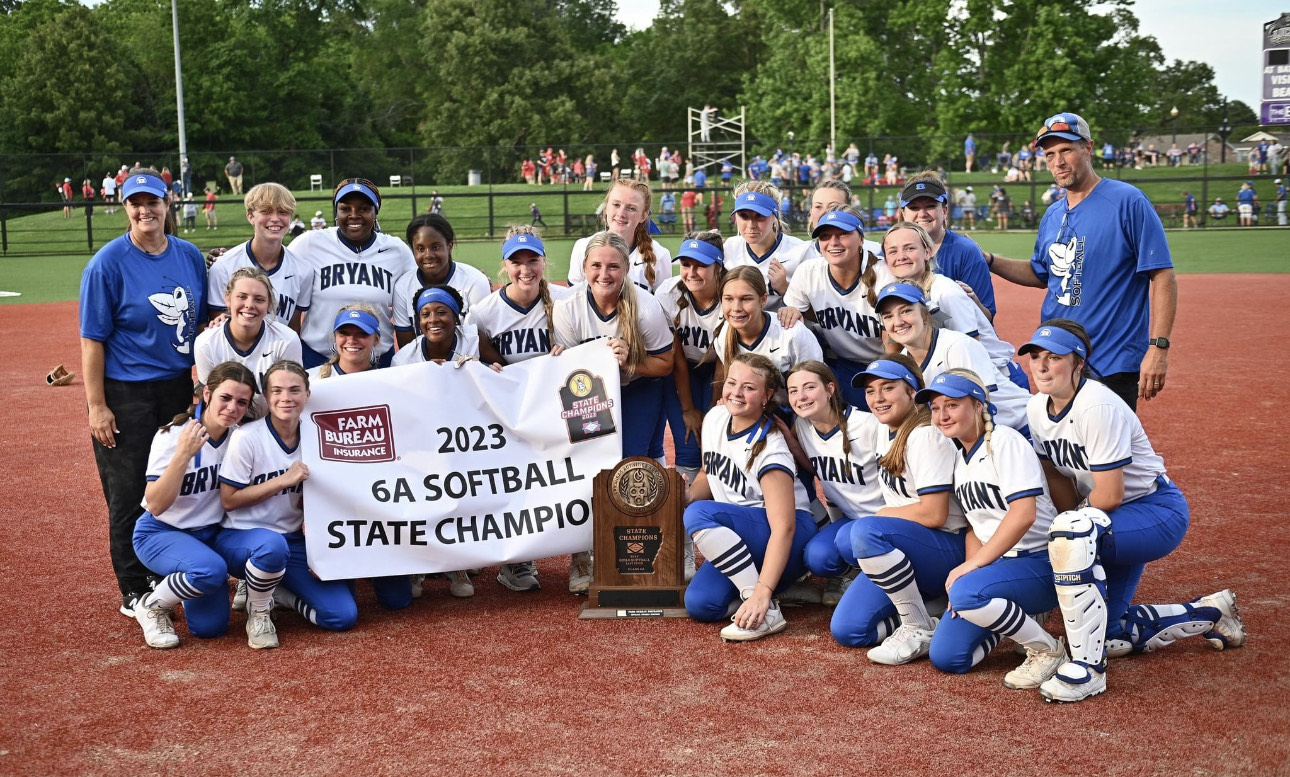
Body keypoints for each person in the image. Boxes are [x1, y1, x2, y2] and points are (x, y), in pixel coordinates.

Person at [1019, 320, 1244, 702]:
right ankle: (1211, 612)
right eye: (1035, 357)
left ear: (1078, 363)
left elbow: (1108, 495)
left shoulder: (1098, 405)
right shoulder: (1037, 407)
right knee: (1107, 633)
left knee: (1070, 536)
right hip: (1110, 520)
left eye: (1053, 357)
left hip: (1153, 512)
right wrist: (1071, 520)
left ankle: (1089, 674)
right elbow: (1056, 475)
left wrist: (1071, 529)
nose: (1040, 366)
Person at [80, 168, 208, 617]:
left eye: (152, 202)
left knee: (176, 482)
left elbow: (208, 319)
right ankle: (134, 586)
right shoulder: (108, 263)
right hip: (125, 391)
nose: (144, 210)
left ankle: (165, 570)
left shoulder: (189, 255)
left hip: (175, 388)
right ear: (125, 208)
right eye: (135, 203)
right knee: (129, 488)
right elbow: (92, 339)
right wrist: (97, 406)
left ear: (167, 203)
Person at [986, 112, 1176, 412]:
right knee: (1061, 451)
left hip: (1110, 361)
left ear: (1088, 148)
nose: (1058, 162)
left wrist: (1158, 347)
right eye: (1050, 155)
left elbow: (1162, 275)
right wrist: (990, 260)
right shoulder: (1052, 214)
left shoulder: (1127, 201)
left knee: (1105, 453)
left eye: (1066, 150)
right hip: (1058, 357)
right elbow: (1040, 274)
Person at [915, 369, 1065, 687]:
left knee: (966, 592)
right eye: (936, 407)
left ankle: (1047, 651)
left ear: (978, 405)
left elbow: (1023, 514)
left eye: (952, 405)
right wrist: (972, 575)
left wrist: (972, 570)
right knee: (948, 657)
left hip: (1042, 560)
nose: (942, 414)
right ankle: (1021, 621)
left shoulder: (1004, 442)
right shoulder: (959, 455)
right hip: (1001, 566)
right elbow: (974, 528)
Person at [554, 231, 674, 592]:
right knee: (586, 465)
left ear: (626, 268)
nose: (603, 274)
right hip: (588, 395)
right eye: (596, 265)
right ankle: (582, 555)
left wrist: (632, 364)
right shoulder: (568, 306)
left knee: (632, 467)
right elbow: (567, 374)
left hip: (637, 388)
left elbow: (667, 362)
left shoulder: (645, 305)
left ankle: (640, 555)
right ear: (584, 267)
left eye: (613, 266)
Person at [830, 357, 966, 658]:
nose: (877, 398)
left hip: (946, 546)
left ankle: (917, 625)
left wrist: (879, 518)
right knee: (850, 630)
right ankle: (930, 607)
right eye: (870, 391)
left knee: (863, 531)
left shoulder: (924, 435)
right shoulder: (884, 428)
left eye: (888, 388)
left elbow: (934, 513)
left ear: (912, 391)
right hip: (908, 546)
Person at [218, 361, 358, 646]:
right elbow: (229, 500)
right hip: (241, 537)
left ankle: (277, 592)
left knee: (342, 615)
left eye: (295, 390)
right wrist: (282, 480)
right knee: (271, 546)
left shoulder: (317, 436)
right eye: (277, 391)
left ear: (307, 394)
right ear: (266, 397)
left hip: (291, 540)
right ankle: (259, 613)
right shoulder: (247, 438)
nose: (286, 398)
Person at [466, 228, 573, 593]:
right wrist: (487, 367)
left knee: (571, 477)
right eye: (517, 262)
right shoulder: (484, 313)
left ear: (544, 262)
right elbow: (470, 366)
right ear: (504, 266)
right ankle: (516, 561)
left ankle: (582, 553)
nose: (525, 269)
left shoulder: (567, 300)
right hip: (510, 412)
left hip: (559, 407)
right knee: (516, 483)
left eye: (533, 260)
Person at [683, 353, 816, 641]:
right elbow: (709, 473)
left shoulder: (771, 447)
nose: (736, 393)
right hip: (742, 532)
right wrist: (687, 493)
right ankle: (766, 593)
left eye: (749, 388)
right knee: (701, 604)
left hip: (788, 535)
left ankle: (764, 607)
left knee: (699, 514)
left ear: (767, 396)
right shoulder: (716, 417)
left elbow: (785, 527)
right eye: (732, 383)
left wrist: (760, 593)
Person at [130, 362, 259, 648]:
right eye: (225, 398)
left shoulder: (241, 438)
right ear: (207, 394)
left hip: (209, 536)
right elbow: (156, 504)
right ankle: (150, 604)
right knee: (210, 571)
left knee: (210, 628)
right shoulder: (173, 435)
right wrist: (183, 456)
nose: (232, 408)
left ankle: (189, 578)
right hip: (161, 532)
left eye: (241, 402)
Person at [289, 178, 416, 368]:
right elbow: (278, 276)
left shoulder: (396, 251)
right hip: (317, 357)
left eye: (364, 209)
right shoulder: (309, 244)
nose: (354, 215)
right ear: (336, 212)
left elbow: (416, 303)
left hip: (377, 360)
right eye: (345, 209)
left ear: (375, 213)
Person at [787, 361, 884, 607]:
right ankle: (852, 573)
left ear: (830, 389)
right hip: (851, 519)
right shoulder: (802, 427)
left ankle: (879, 576)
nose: (801, 397)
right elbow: (823, 478)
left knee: (849, 544)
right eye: (793, 391)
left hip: (887, 518)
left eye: (809, 387)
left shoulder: (869, 425)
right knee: (818, 557)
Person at [875, 282, 1030, 435]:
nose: (898, 322)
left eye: (906, 311)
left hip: (1025, 428)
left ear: (924, 314)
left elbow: (981, 410)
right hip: (980, 436)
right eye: (888, 316)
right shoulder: (904, 364)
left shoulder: (958, 346)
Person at [881, 222, 1021, 387]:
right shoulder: (896, 297)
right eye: (893, 251)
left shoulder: (946, 293)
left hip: (996, 383)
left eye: (910, 248)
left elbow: (970, 354)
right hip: (953, 383)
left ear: (928, 252)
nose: (901, 256)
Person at [780, 208, 883, 408]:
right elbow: (788, 318)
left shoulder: (883, 275)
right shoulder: (809, 272)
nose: (833, 243)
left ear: (861, 239)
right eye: (825, 236)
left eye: (843, 234)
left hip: (886, 363)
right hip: (843, 363)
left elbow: (896, 348)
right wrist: (791, 311)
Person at [655, 232, 726, 487]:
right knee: (688, 444)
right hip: (682, 368)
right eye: (686, 264)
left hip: (722, 371)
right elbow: (676, 358)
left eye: (701, 265)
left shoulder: (730, 294)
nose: (691, 272)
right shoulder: (669, 293)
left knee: (716, 439)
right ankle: (688, 513)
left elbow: (725, 361)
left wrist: (712, 411)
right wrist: (688, 409)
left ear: (718, 267)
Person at [195, 267, 302, 414]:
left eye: (259, 299)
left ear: (269, 304)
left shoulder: (286, 340)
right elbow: (209, 401)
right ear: (228, 298)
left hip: (270, 424)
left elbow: (290, 398)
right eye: (242, 296)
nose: (250, 305)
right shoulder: (206, 343)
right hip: (226, 423)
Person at [206, 183, 312, 330]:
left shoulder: (303, 269)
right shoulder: (223, 267)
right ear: (250, 216)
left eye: (283, 212)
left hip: (280, 351)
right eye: (266, 211)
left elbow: (293, 329)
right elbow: (217, 329)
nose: (275, 218)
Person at [711, 266, 822, 404]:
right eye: (729, 299)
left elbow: (816, 390)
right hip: (754, 407)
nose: (736, 308)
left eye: (746, 299)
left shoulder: (792, 333)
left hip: (798, 408)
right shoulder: (724, 333)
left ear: (763, 300)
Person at [897, 175, 996, 316]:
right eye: (914, 208)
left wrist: (974, 303)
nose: (922, 214)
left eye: (930, 206)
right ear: (904, 214)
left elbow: (987, 316)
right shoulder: (893, 253)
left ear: (944, 211)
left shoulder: (965, 250)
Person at [393, 214, 491, 347]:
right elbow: (407, 348)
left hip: (469, 362)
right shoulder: (403, 287)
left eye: (435, 247)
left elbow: (484, 339)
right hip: (422, 364)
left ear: (449, 246)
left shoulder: (474, 281)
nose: (428, 255)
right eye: (420, 249)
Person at [568, 178, 672, 293]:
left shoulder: (659, 255)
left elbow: (663, 308)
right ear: (606, 207)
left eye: (631, 208)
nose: (621, 213)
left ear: (643, 216)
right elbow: (574, 301)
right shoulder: (582, 247)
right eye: (616, 204)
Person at [722, 182, 811, 311]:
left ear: (775, 216)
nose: (751, 224)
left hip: (785, 329)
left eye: (760, 216)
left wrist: (785, 288)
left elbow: (820, 314)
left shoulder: (801, 251)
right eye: (744, 216)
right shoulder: (728, 248)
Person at [392, 284, 503, 368]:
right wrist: (423, 374)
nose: (433, 320)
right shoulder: (403, 360)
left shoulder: (474, 338)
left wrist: (483, 368)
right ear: (419, 321)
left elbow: (505, 371)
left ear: (455, 318)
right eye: (425, 314)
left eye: (441, 312)